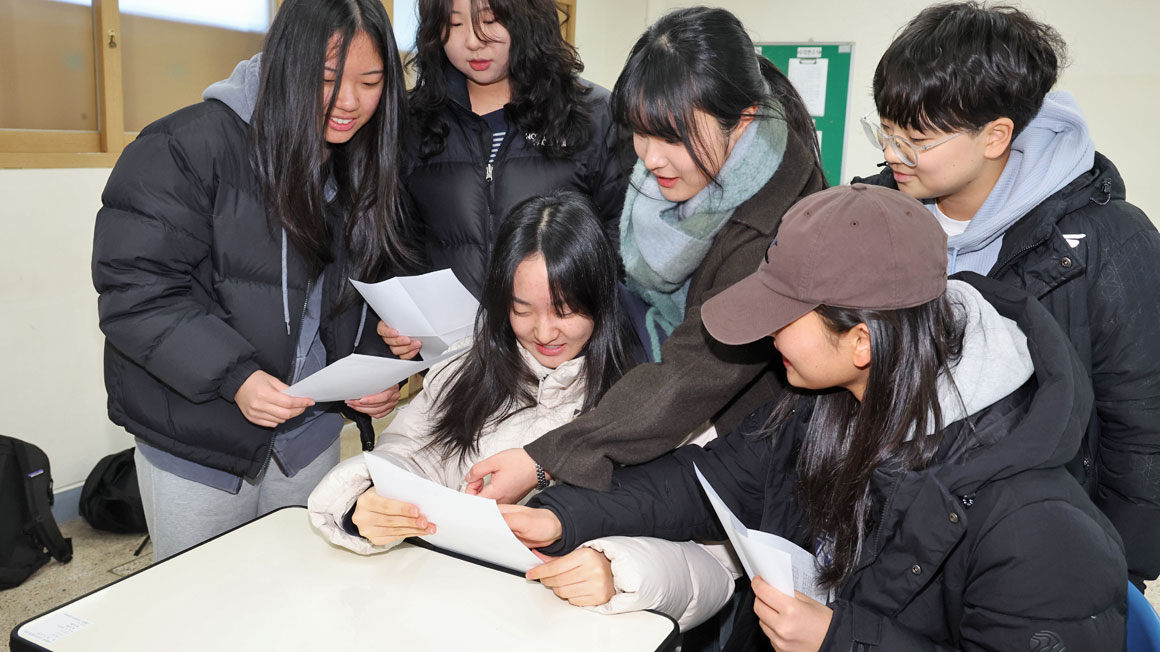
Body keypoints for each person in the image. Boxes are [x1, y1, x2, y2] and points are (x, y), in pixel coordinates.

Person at [502, 184, 1127, 652]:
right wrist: (561, 515)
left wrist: (839, 641)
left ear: (861, 343)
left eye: (784, 316)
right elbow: (708, 483)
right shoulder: (827, 404)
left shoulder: (1037, 525)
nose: (767, 333)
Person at [460, 6, 827, 503]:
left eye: (673, 137)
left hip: (751, 461)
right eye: (641, 131)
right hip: (655, 425)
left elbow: (696, 369)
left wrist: (545, 459)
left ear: (741, 121)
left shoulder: (778, 226)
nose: (651, 159)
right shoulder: (660, 190)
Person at [311, 193, 739, 619]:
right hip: (452, 614)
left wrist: (622, 570)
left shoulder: (660, 396)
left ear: (601, 299)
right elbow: (410, 452)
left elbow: (716, 563)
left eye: (566, 311)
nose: (544, 332)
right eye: (522, 310)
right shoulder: (466, 365)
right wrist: (367, 500)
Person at [852, 2, 1160, 589]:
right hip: (898, 543)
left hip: (1041, 555)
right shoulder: (875, 217)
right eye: (885, 131)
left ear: (996, 136)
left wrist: (1114, 567)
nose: (892, 154)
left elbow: (1143, 425)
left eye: (916, 138)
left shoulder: (1111, 242)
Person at [92, 0, 414, 561]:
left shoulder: (364, 161)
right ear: (286, 62)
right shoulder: (186, 147)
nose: (349, 102)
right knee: (200, 597)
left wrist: (378, 362)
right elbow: (135, 291)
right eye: (327, 79)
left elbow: (365, 286)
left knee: (299, 591)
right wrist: (235, 376)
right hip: (198, 439)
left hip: (309, 437)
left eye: (370, 82)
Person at [386, 0, 629, 305]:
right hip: (447, 332)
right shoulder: (412, 121)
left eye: (489, 20)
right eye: (454, 24)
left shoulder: (594, 115)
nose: (473, 41)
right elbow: (398, 243)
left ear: (530, 17)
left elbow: (621, 239)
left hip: (557, 328)